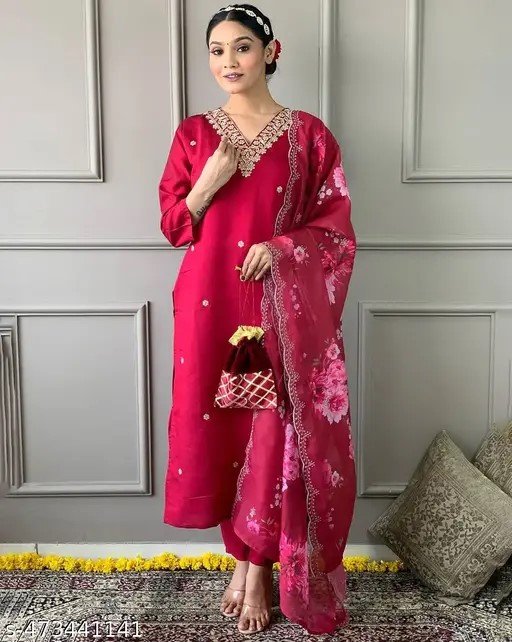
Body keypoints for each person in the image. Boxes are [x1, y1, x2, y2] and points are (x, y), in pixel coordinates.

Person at [158, 3, 357, 636]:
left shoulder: (308, 135)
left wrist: (283, 248)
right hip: (209, 304)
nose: (228, 61)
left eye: (242, 47)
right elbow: (173, 225)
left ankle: (258, 567)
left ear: (271, 52)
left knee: (274, 428)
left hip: (277, 306)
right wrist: (207, 184)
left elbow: (336, 229)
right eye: (216, 51)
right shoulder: (195, 134)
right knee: (220, 427)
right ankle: (240, 560)